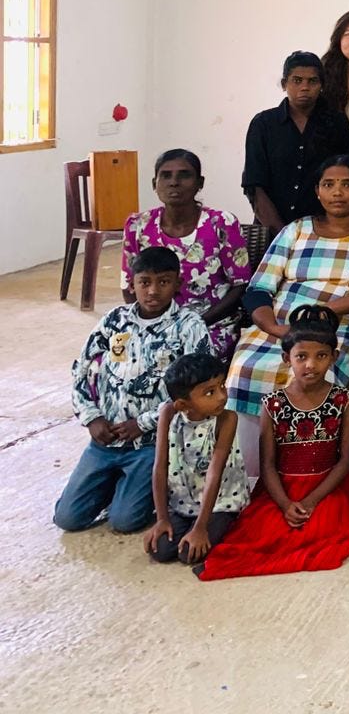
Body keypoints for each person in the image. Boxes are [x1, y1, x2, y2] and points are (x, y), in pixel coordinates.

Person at [227, 156, 349, 472]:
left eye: (347, 184)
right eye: (328, 185)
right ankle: (253, 473)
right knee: (244, 367)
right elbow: (259, 287)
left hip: (339, 327)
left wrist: (325, 311)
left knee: (323, 373)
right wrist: (274, 328)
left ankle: (314, 470)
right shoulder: (297, 229)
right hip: (280, 325)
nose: (338, 193)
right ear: (317, 191)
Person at [200, 307, 349, 579]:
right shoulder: (272, 403)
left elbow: (345, 460)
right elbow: (268, 465)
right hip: (282, 489)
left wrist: (311, 500)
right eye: (302, 357)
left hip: (327, 487)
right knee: (263, 536)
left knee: (322, 539)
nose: (311, 365)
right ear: (287, 358)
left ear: (334, 357)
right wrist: (285, 504)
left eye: (321, 356)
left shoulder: (343, 398)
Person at [53, 246, 210, 535]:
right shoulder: (115, 320)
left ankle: (132, 488)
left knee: (125, 522)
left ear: (178, 283)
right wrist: (91, 417)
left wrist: (143, 423)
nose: (153, 291)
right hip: (106, 441)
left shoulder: (189, 326)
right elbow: (82, 368)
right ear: (132, 283)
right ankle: (110, 483)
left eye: (163, 282)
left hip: (152, 443)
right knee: (68, 519)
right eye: (144, 282)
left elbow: (197, 391)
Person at [121, 148, 250, 358]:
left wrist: (194, 323)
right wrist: (149, 323)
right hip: (154, 323)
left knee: (179, 362)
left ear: (200, 183)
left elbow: (241, 285)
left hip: (210, 324)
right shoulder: (138, 225)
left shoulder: (222, 223)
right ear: (154, 184)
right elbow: (129, 285)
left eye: (184, 175)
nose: (174, 182)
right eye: (166, 175)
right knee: (114, 362)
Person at [145, 352, 249, 566]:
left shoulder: (226, 419)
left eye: (222, 385)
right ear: (183, 405)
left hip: (220, 501)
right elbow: (160, 467)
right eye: (210, 392)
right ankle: (189, 522)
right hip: (184, 500)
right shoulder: (169, 413)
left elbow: (215, 472)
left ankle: (216, 522)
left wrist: (201, 528)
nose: (221, 396)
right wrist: (162, 519)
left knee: (189, 554)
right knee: (161, 550)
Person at [242, 51, 349, 235]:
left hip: (324, 230)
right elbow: (255, 186)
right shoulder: (264, 124)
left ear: (322, 86)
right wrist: (283, 234)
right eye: (297, 80)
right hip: (271, 232)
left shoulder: (336, 123)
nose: (305, 87)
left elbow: (345, 178)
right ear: (285, 84)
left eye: (312, 81)